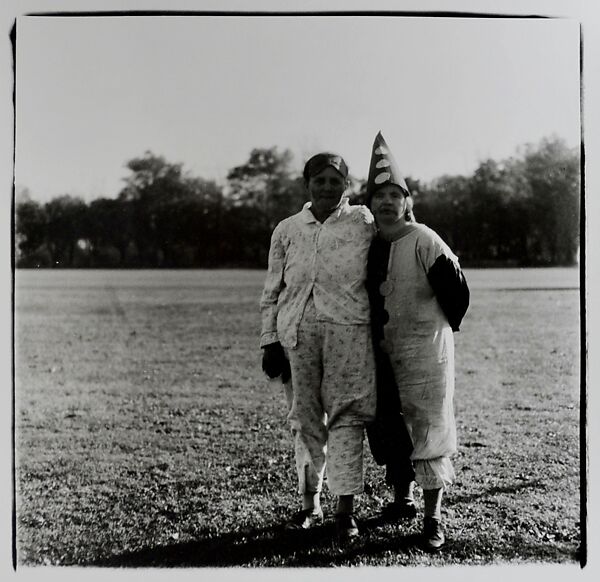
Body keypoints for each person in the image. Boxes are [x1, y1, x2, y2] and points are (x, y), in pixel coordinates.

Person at [260, 152, 377, 541]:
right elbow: (272, 291)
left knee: (347, 416)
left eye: (335, 180)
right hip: (296, 337)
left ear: (348, 184)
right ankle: (310, 504)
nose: (328, 187)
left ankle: (346, 511)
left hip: (349, 333)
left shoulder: (363, 221)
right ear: (306, 183)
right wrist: (270, 340)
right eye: (320, 180)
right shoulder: (287, 229)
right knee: (305, 419)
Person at [365, 132, 470, 552]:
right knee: (390, 425)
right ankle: (401, 499)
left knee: (428, 427)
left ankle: (432, 518)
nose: (387, 203)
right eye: (380, 196)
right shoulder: (370, 244)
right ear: (370, 204)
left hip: (425, 351)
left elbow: (457, 292)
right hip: (383, 351)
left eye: (395, 195)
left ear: (406, 201)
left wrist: (432, 330)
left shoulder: (424, 239)